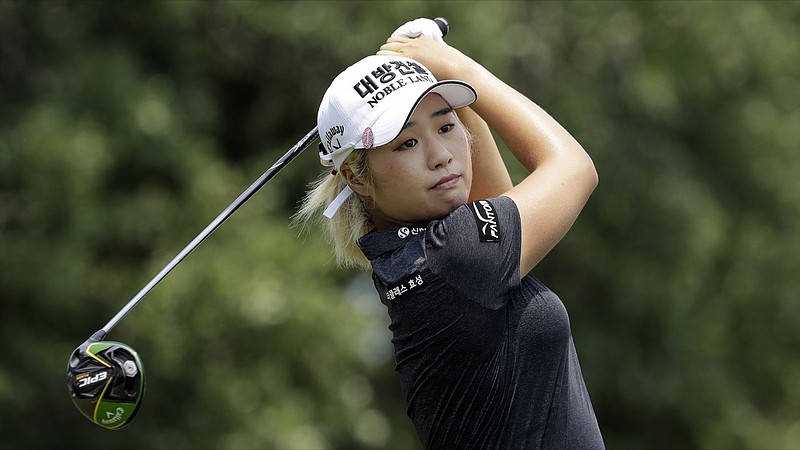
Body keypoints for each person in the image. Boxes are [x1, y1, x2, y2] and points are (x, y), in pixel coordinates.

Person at [295, 18, 603, 449]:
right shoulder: (454, 256)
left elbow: (496, 199)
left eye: (445, 126)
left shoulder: (420, 255)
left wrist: (440, 71)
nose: (441, 156)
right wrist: (455, 64)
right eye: (406, 143)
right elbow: (574, 168)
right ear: (356, 177)